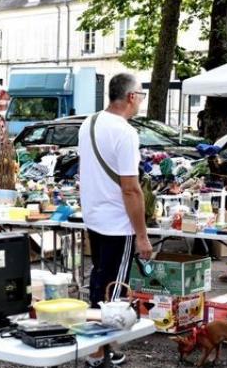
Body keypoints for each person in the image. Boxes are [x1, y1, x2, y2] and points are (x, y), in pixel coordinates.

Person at [78, 73, 153, 368]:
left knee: (101, 278)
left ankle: (104, 346)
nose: (141, 101)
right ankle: (97, 351)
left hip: (94, 215)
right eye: (141, 96)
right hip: (115, 221)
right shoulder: (125, 132)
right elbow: (131, 189)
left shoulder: (90, 122)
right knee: (114, 289)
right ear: (131, 97)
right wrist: (143, 236)